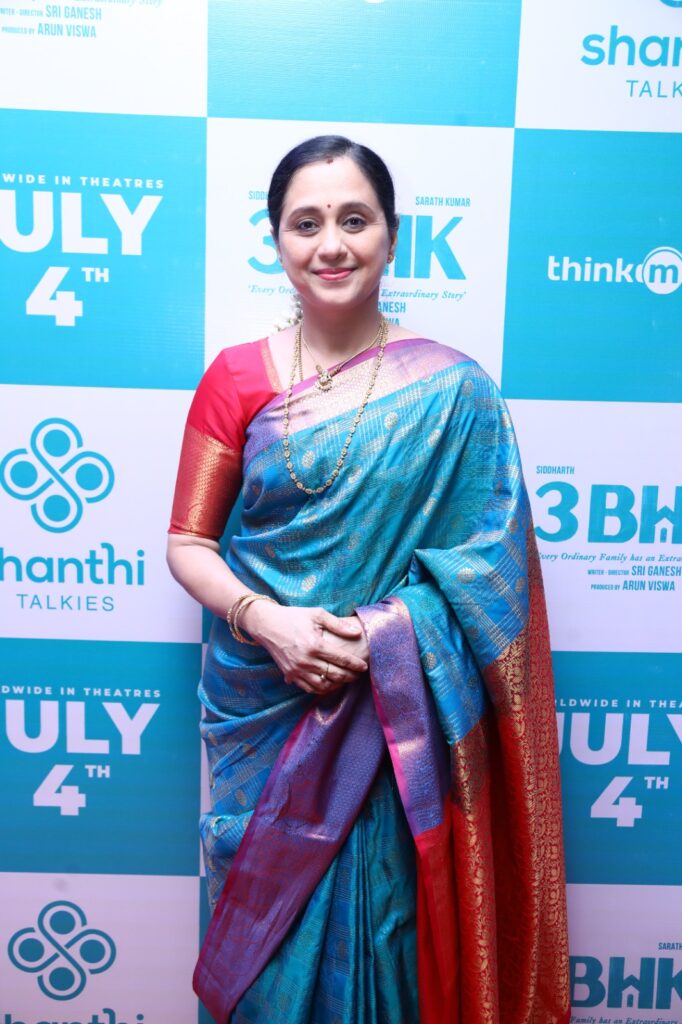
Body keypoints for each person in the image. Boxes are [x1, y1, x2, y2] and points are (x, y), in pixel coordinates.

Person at [167, 135, 570, 1024]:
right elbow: (187, 543)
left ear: (392, 236)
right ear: (276, 240)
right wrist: (268, 621)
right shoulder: (234, 378)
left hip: (391, 723)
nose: (331, 244)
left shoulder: (457, 393)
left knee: (385, 945)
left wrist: (385, 638)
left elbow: (494, 576)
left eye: (355, 220)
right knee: (266, 962)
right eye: (306, 223)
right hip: (265, 712)